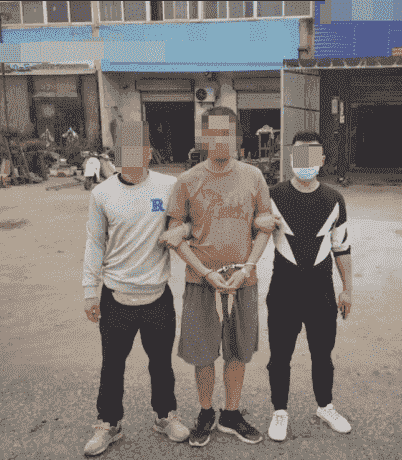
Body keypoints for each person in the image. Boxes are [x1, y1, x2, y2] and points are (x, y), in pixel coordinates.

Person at [164, 106, 273, 448]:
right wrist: (205, 272)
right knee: (203, 352)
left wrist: (248, 267)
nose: (219, 140)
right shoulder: (187, 181)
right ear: (203, 137)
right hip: (201, 283)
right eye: (213, 133)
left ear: (237, 137)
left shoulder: (254, 177)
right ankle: (206, 412)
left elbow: (265, 227)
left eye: (226, 133)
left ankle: (231, 413)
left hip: (243, 282)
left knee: (238, 351)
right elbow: (175, 235)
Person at [82, 140, 191, 456]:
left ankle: (165, 416)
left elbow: (192, 218)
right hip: (116, 296)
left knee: (161, 363)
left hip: (157, 295)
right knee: (112, 365)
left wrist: (182, 230)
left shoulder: (168, 186)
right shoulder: (102, 194)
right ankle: (108, 423)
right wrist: (90, 292)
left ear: (148, 153)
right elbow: (95, 242)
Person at [254, 131, 353, 442]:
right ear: (291, 158)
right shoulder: (272, 195)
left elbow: (342, 248)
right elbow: (252, 235)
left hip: (321, 293)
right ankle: (279, 411)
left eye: (312, 155)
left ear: (322, 160)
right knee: (279, 357)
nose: (306, 161)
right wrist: (255, 224)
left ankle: (325, 406)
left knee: (322, 354)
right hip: (283, 292)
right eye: (300, 155)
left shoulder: (334, 199)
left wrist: (347, 289)